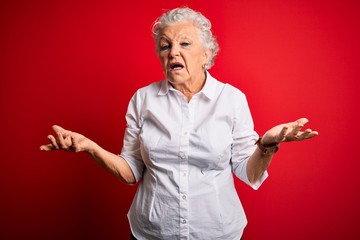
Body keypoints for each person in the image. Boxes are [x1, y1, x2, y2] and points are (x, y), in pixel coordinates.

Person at [40, 7, 318, 240]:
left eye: (184, 44)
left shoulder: (232, 99)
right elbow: (131, 173)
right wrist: (91, 147)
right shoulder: (143, 99)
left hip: (218, 233)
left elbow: (250, 173)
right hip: (151, 232)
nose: (173, 52)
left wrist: (266, 145)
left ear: (207, 54)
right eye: (165, 45)